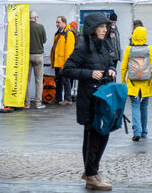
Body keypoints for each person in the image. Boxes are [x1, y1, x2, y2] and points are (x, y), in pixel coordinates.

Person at [62, 12, 117, 191]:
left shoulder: (103, 45)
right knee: (94, 137)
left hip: (102, 99)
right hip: (90, 100)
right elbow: (67, 70)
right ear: (93, 29)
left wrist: (110, 70)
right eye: (101, 27)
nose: (104, 30)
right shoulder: (82, 47)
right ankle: (91, 175)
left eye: (105, 27)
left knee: (103, 135)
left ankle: (91, 171)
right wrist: (88, 74)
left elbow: (109, 63)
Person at [120, 26, 152, 142]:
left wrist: (123, 82)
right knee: (144, 107)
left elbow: (123, 67)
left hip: (133, 84)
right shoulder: (149, 49)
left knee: (134, 107)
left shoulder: (128, 49)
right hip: (146, 84)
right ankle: (144, 132)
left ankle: (136, 131)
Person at [51, 15, 76, 105]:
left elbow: (69, 51)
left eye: (58, 22)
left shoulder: (68, 33)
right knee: (58, 81)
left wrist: (66, 64)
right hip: (58, 62)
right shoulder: (58, 33)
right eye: (56, 22)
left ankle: (68, 99)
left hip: (64, 63)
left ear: (64, 23)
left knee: (66, 81)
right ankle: (58, 98)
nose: (56, 24)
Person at [26, 11, 47, 109]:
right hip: (38, 55)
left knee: (27, 80)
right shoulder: (40, 27)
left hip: (26, 56)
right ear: (35, 18)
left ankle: (27, 103)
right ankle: (38, 103)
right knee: (38, 80)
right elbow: (44, 40)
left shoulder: (25, 27)